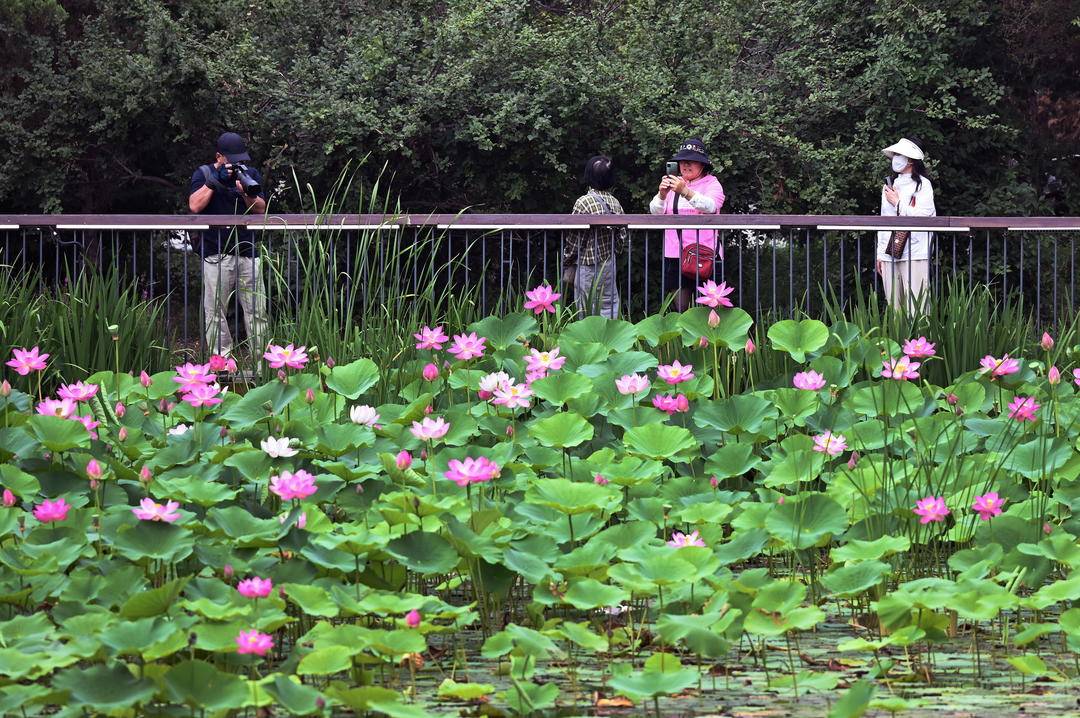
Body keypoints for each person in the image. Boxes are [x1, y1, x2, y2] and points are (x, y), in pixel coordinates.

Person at [188, 132, 268, 357]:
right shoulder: (204, 173)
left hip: (248, 253)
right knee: (215, 312)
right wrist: (215, 181)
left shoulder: (250, 174)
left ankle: (261, 363)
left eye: (240, 158)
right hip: (216, 252)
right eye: (232, 158)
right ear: (219, 156)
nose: (236, 163)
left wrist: (245, 192)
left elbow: (261, 208)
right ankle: (221, 364)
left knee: (257, 310)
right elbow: (194, 205)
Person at [649, 138, 726, 311]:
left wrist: (685, 191)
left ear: (702, 165)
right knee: (681, 310)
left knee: (711, 311)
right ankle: (686, 339)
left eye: (692, 161)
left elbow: (711, 206)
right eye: (683, 161)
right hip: (675, 255)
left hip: (706, 255)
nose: (686, 165)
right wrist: (662, 194)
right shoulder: (672, 184)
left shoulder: (712, 183)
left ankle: (709, 339)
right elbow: (655, 212)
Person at [876, 137, 936, 314]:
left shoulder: (923, 185)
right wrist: (880, 254)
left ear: (911, 159)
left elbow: (925, 215)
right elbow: (883, 221)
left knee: (918, 308)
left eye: (900, 154)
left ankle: (921, 341)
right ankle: (896, 342)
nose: (896, 158)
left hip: (916, 252)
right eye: (895, 154)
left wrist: (898, 203)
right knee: (895, 310)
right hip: (890, 253)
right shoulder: (889, 187)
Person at [562, 155, 626, 318]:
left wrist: (568, 259)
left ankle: (587, 341)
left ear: (588, 176)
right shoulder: (615, 203)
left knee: (585, 307)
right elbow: (622, 236)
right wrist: (614, 250)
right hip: (609, 263)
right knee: (608, 303)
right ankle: (609, 339)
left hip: (587, 264)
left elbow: (574, 238)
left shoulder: (583, 202)